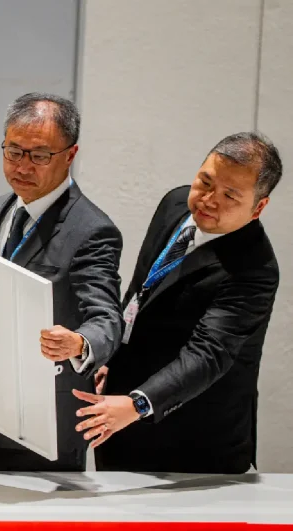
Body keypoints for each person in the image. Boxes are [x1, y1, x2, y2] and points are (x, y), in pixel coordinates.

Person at [77, 132, 282, 474]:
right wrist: (111, 356)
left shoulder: (255, 269)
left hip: (196, 436)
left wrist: (138, 404)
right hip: (121, 414)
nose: (208, 200)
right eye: (205, 182)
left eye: (230, 195)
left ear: (258, 207)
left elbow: (208, 354)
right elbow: (141, 290)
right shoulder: (175, 203)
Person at [0, 92, 123, 472]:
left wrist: (79, 342)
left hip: (43, 424)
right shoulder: (0, 208)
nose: (23, 166)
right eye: (13, 151)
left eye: (39, 156)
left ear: (70, 155)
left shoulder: (92, 230)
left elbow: (107, 318)